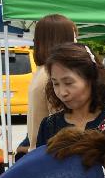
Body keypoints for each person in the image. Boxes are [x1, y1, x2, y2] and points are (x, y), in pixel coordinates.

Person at [35, 43, 105, 148]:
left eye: (68, 83)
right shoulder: (49, 126)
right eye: (56, 84)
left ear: (92, 79)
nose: (62, 92)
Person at [27, 14, 78, 151]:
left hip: (40, 153)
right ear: (60, 39)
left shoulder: (41, 71)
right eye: (72, 37)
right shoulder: (52, 75)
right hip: (53, 155)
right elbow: (64, 123)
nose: (76, 43)